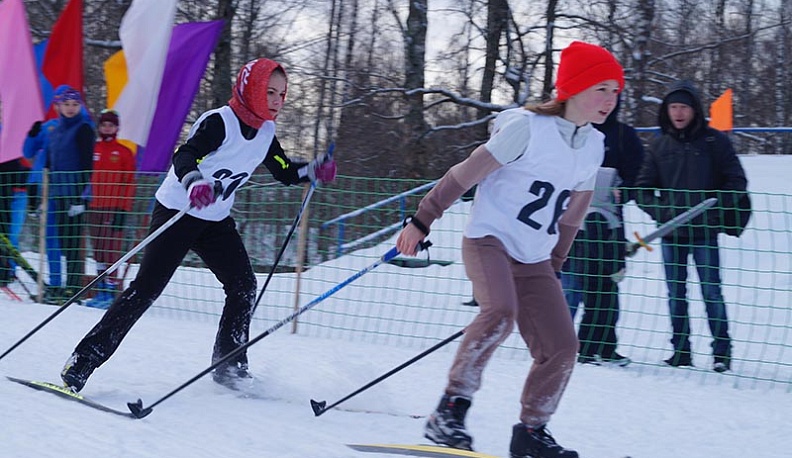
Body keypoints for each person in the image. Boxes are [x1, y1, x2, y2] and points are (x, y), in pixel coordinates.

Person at [396, 41, 623, 458]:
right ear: (573, 88)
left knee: (562, 345)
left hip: (535, 257)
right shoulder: (527, 128)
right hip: (490, 241)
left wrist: (554, 263)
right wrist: (422, 219)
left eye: (615, 90)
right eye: (601, 88)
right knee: (500, 311)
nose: (611, 99)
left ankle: (531, 433)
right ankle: (449, 411)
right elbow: (463, 176)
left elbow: (574, 213)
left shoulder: (593, 144)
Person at [60, 58, 337, 393]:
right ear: (251, 88)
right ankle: (81, 363)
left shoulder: (265, 132)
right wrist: (194, 182)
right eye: (270, 92)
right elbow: (185, 156)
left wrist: (312, 170)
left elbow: (283, 170)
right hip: (178, 210)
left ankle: (229, 367)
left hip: (215, 220)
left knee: (244, 286)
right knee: (144, 291)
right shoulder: (219, 121)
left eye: (282, 93)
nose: (278, 100)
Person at [634, 80, 748, 373]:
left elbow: (736, 181)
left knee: (711, 291)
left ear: (695, 110)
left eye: (684, 107)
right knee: (676, 293)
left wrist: (715, 210)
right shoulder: (659, 145)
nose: (678, 113)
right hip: (671, 233)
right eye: (673, 107)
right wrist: (662, 212)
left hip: (704, 233)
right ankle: (681, 351)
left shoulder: (714, 142)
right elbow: (642, 189)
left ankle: (722, 352)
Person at [562, 100, 645, 366]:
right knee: (572, 286)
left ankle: (606, 346)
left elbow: (639, 174)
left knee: (608, 285)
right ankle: (563, 345)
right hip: (574, 221)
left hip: (609, 223)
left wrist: (626, 191)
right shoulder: (571, 131)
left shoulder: (623, 135)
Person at [44, 86, 95, 303]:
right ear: (59, 106)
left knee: (73, 243)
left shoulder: (83, 129)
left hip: (74, 192)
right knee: (63, 242)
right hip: (58, 192)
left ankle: (73, 289)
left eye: (75, 104)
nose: (71, 108)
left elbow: (86, 163)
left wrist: (80, 197)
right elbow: (49, 161)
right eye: (67, 104)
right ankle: (64, 285)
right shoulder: (57, 130)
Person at [83, 109, 137, 309]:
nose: (107, 128)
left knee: (111, 251)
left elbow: (129, 182)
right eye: (104, 124)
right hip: (95, 207)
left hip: (114, 208)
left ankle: (110, 293)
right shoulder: (93, 149)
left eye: (111, 125)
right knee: (97, 250)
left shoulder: (123, 152)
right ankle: (101, 290)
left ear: (117, 128)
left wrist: (124, 209)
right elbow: (86, 177)